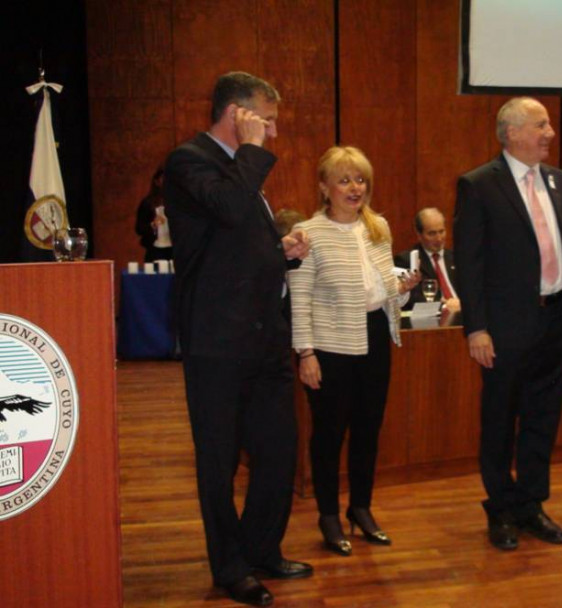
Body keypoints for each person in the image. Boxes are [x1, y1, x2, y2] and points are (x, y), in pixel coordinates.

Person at [163, 71, 311, 608]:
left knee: (277, 452)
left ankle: (262, 549)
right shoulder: (188, 162)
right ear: (237, 114)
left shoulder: (240, 171)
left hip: (265, 338)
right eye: (265, 120)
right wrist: (250, 149)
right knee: (219, 459)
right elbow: (225, 209)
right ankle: (230, 568)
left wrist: (282, 248)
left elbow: (237, 243)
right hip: (216, 341)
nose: (272, 132)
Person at [454, 97, 562, 551]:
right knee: (500, 418)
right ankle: (500, 507)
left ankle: (532, 503)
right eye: (541, 125)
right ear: (511, 132)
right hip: (505, 326)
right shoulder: (479, 185)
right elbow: (470, 266)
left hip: (555, 319)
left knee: (543, 416)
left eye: (549, 125)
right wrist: (476, 328)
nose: (550, 133)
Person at [288, 146, 419, 558]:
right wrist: (305, 353)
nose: (354, 187)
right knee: (328, 435)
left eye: (360, 179)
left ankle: (360, 508)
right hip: (329, 345)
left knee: (368, 430)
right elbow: (300, 297)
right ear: (325, 186)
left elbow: (377, 286)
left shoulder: (378, 226)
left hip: (376, 336)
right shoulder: (310, 233)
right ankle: (328, 515)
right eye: (344, 180)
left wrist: (400, 289)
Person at [394, 207, 461, 312]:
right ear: (419, 235)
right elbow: (411, 298)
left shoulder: (457, 257)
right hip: (433, 320)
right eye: (432, 233)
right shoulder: (406, 260)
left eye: (441, 231)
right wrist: (444, 306)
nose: (439, 238)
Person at [135, 166, 173, 262]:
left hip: (174, 248)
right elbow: (139, 228)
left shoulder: (177, 203)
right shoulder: (147, 203)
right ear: (156, 181)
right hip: (155, 249)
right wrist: (153, 224)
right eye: (163, 179)